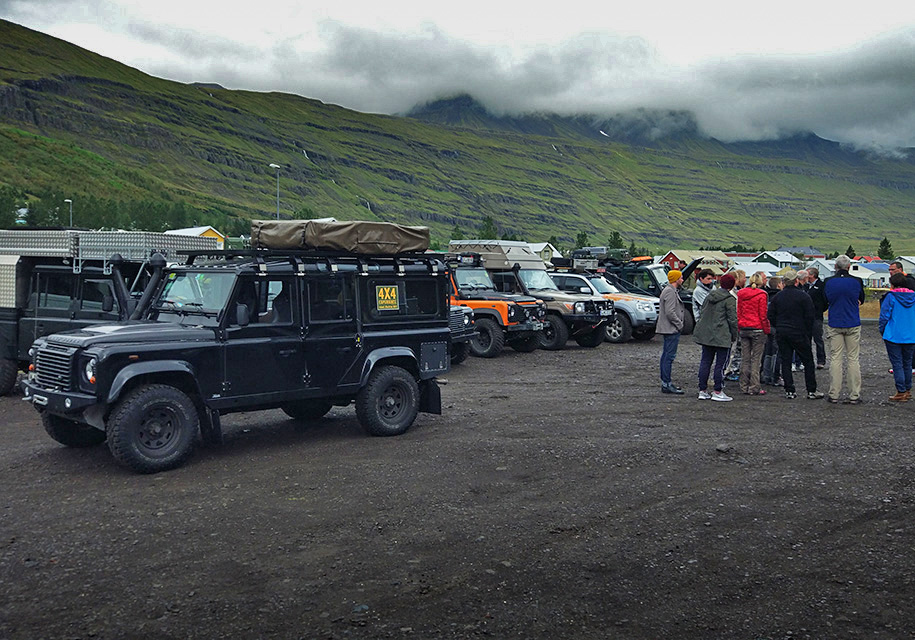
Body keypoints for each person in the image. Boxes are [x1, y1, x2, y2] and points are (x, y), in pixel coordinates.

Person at [767, 270, 823, 400]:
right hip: (799, 332)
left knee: (785, 361)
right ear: (796, 281)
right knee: (808, 361)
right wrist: (806, 331)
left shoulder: (778, 297)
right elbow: (810, 316)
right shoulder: (803, 296)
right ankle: (811, 390)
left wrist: (779, 325)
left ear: (784, 282)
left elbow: (770, 315)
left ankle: (790, 390)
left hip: (782, 332)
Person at [824, 254, 865, 404]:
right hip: (852, 321)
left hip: (835, 322)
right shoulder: (857, 281)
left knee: (836, 358)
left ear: (835, 266)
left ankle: (834, 393)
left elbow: (825, 301)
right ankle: (854, 394)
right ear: (849, 267)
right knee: (853, 358)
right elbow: (861, 298)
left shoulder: (828, 282)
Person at [693, 273, 739, 401]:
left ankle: (702, 390)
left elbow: (703, 312)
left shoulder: (709, 296)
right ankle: (717, 390)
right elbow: (732, 320)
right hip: (722, 335)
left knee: (705, 361)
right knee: (721, 364)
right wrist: (734, 335)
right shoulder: (729, 299)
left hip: (707, 334)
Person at [878, 272, 915, 402]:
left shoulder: (891, 297)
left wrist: (882, 330)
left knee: (897, 364)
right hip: (911, 334)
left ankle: (901, 391)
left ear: (893, 284)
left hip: (894, 334)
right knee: (908, 363)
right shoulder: (913, 296)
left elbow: (884, 316)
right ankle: (908, 390)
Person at [737, 272, 771, 395]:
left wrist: (739, 325)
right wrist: (767, 329)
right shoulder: (762, 294)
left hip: (744, 328)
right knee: (756, 359)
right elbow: (763, 314)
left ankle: (743, 385)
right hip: (758, 329)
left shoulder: (741, 294)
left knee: (745, 358)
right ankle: (754, 386)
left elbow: (739, 311)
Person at [657, 269, 686, 394]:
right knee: (669, 356)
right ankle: (666, 383)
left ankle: (666, 383)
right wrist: (679, 324)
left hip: (670, 328)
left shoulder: (669, 290)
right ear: (676, 279)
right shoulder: (670, 292)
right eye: (681, 277)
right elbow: (670, 312)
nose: (682, 280)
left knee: (666, 356)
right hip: (671, 329)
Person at [761, 276, 783, 386]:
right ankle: (775, 376)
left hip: (767, 326)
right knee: (776, 352)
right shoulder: (780, 297)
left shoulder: (766, 295)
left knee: (767, 351)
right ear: (779, 285)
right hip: (776, 326)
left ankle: (766, 375)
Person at [805, 268, 827, 369]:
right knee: (806, 340)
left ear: (812, 275)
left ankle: (821, 360)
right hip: (805, 317)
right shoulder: (805, 286)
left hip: (816, 317)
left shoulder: (821, 286)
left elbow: (825, 301)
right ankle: (807, 361)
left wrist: (819, 310)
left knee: (818, 339)